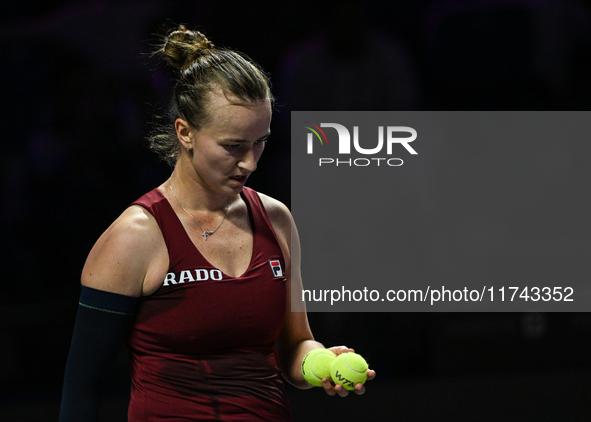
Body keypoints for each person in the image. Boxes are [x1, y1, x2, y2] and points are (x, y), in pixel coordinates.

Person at [59, 24, 375, 421]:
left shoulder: (276, 219)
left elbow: (294, 347)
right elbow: (81, 392)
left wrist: (322, 363)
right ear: (185, 132)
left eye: (260, 141)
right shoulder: (133, 237)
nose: (250, 162)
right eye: (233, 146)